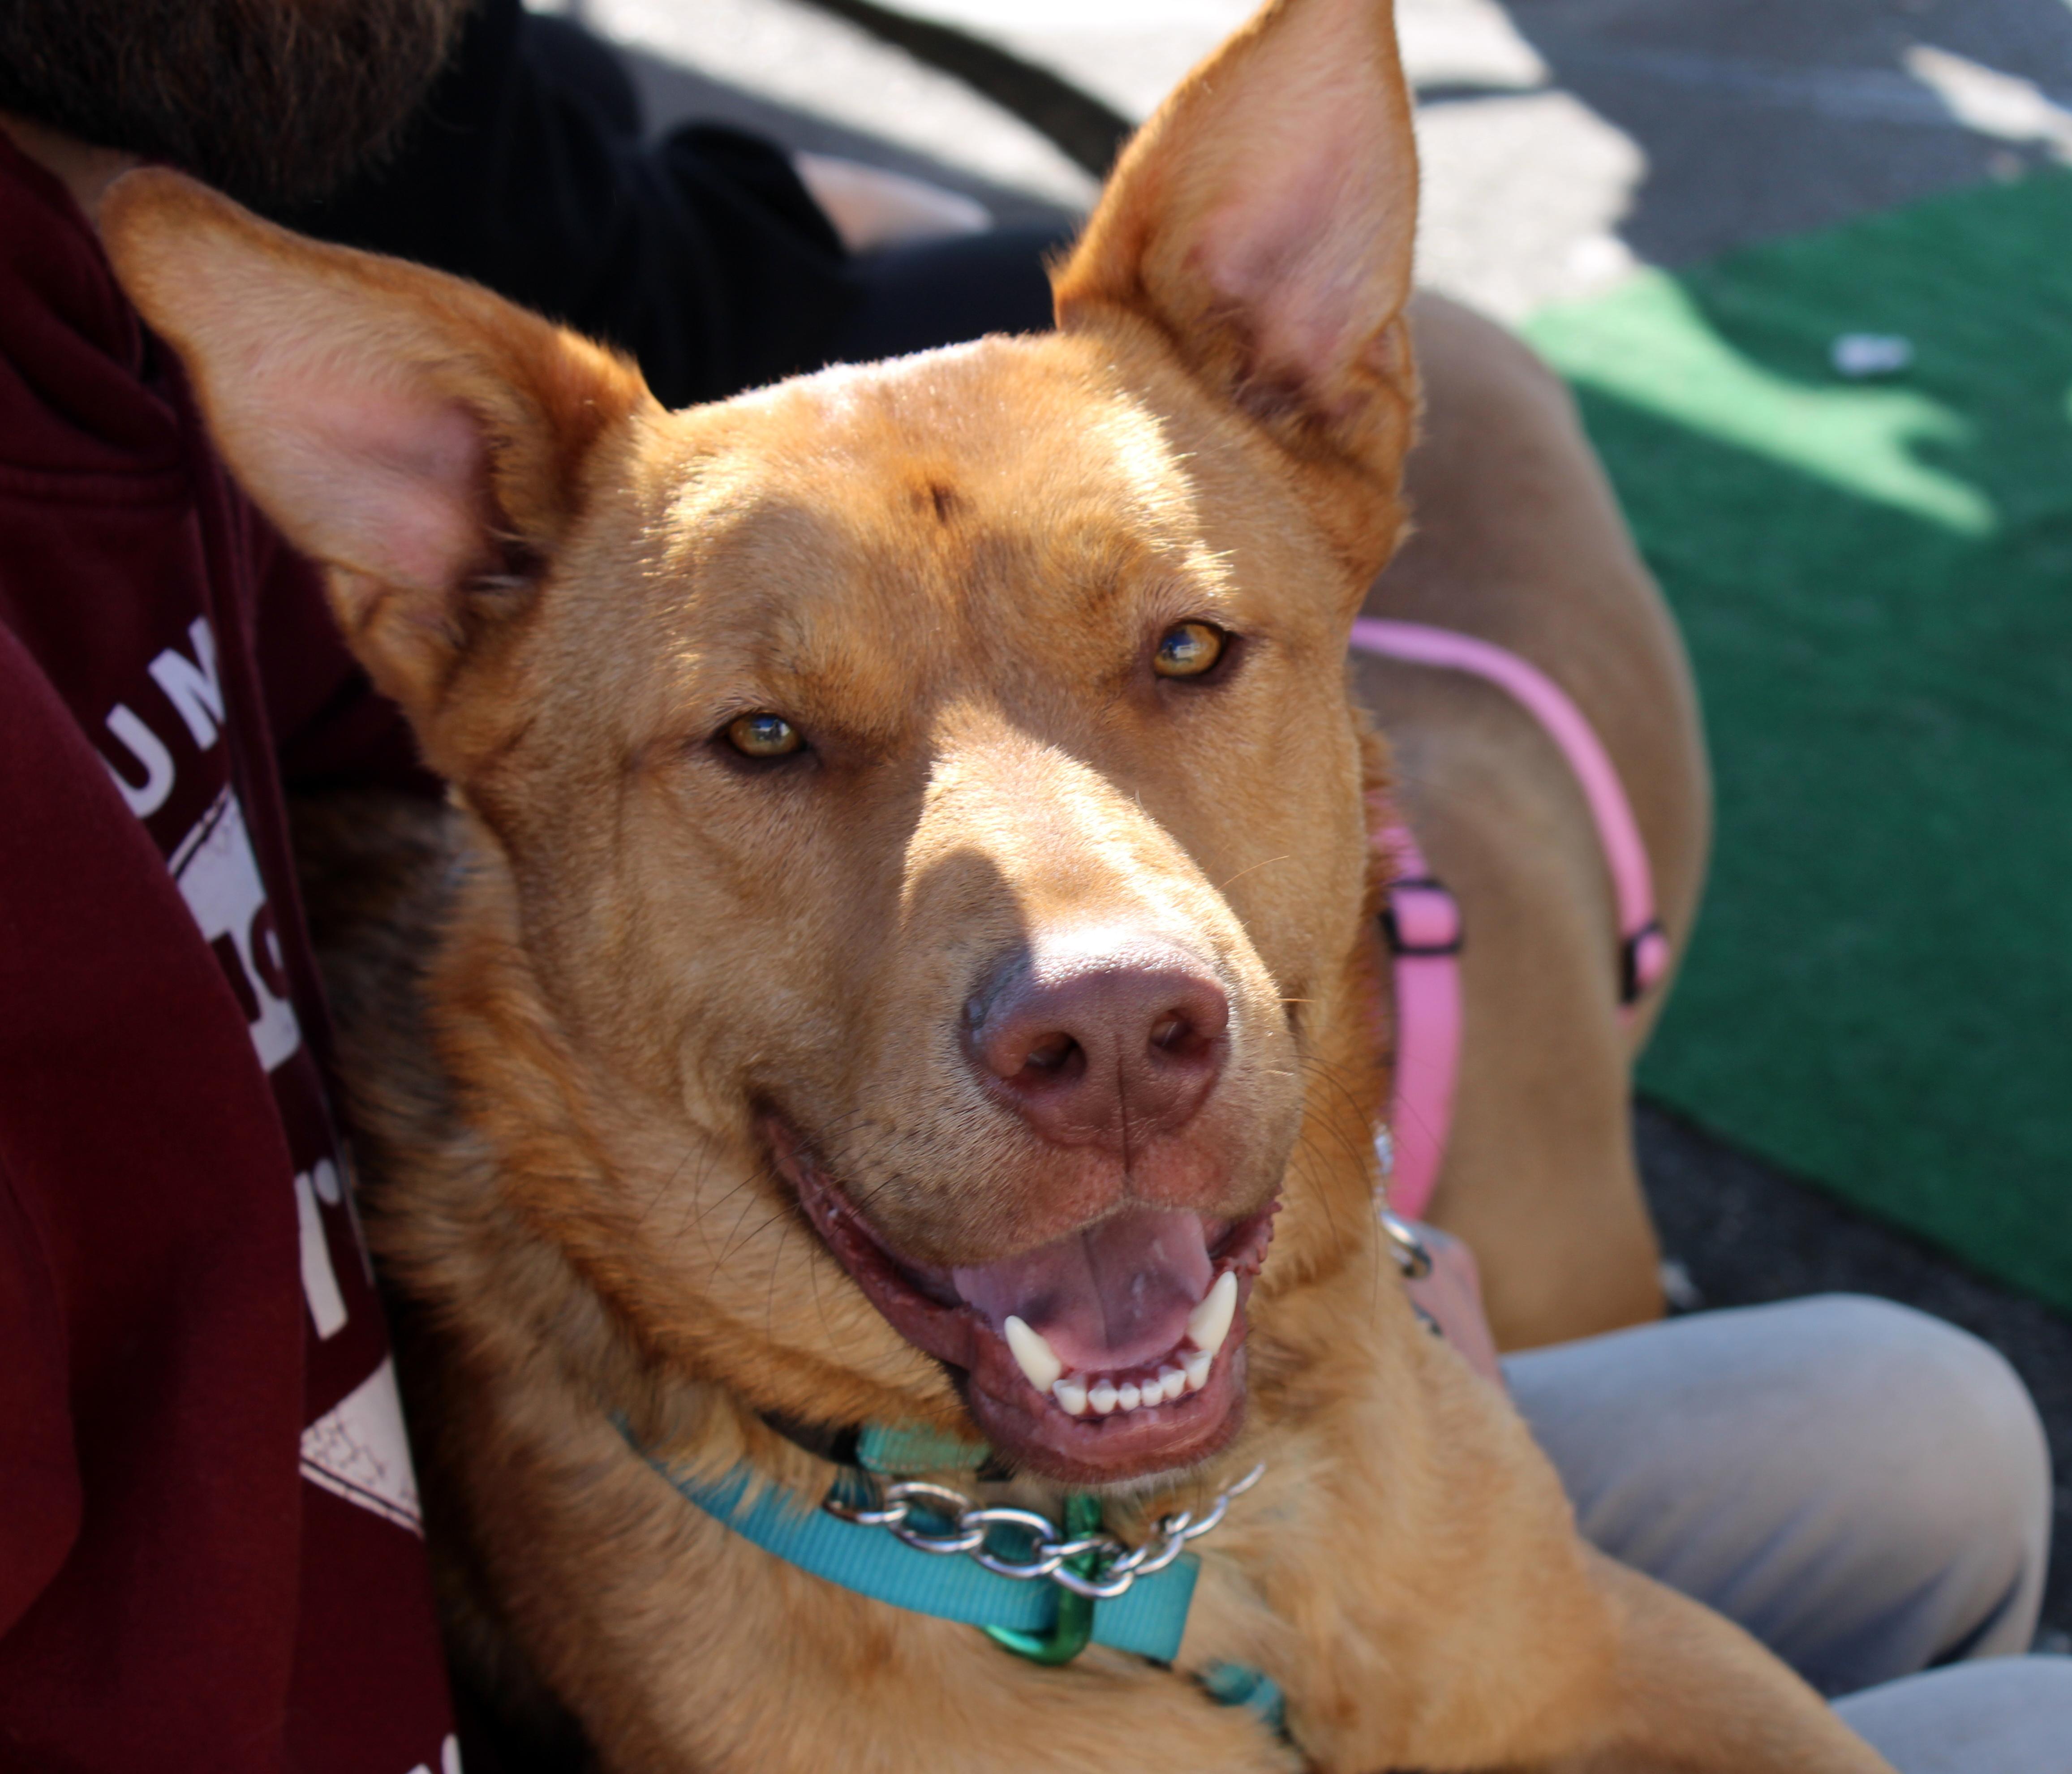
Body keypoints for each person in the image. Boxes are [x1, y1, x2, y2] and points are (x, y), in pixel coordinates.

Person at [0, 3, 2066, 1769]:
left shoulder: (120, 375)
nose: (1084, 958)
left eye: (1177, 655)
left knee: (1926, 1414)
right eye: (775, 742)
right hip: (703, 1512)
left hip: (1288, 1384)